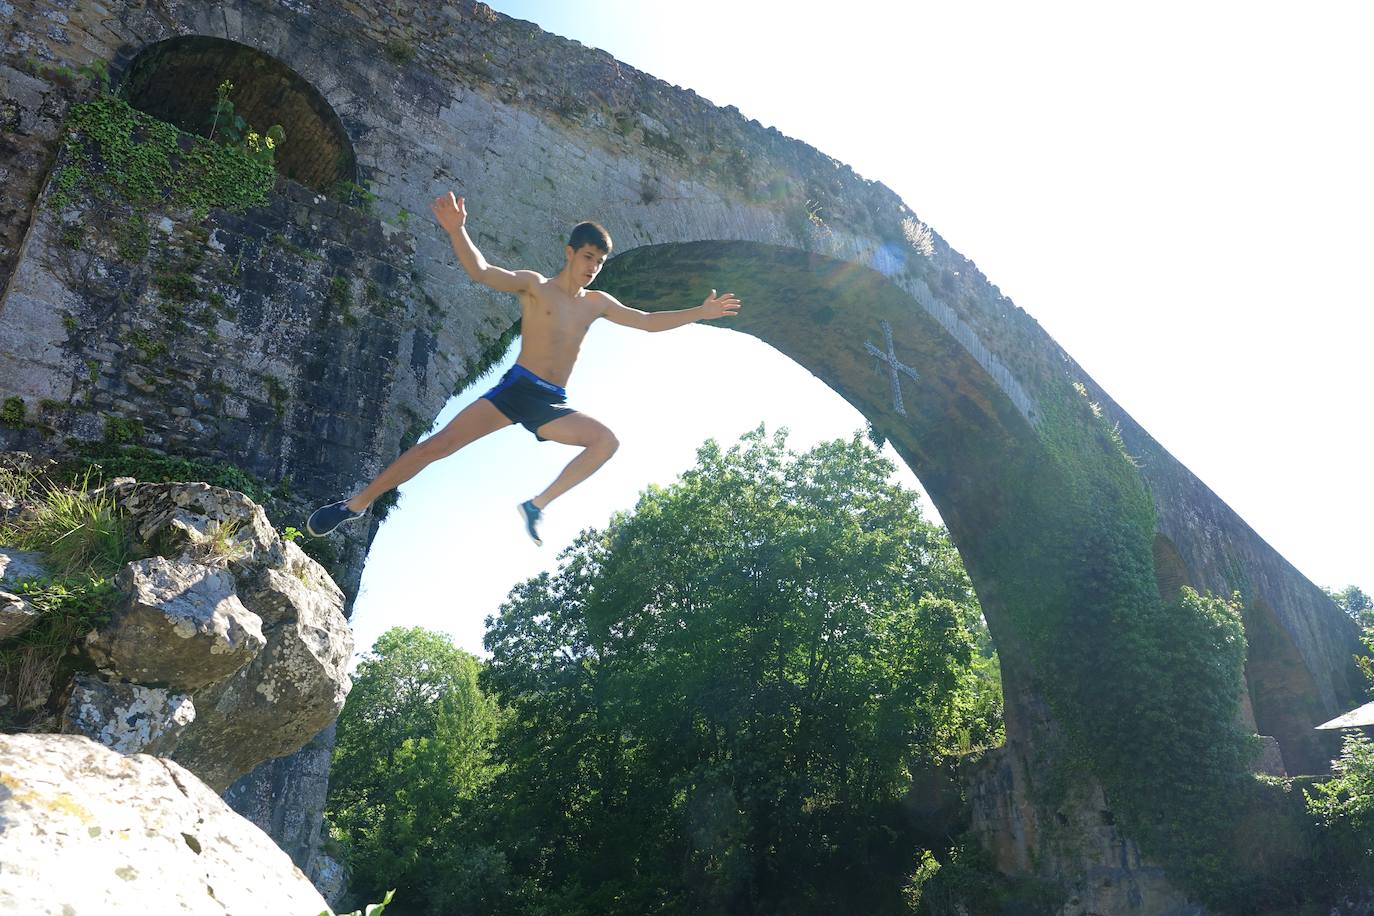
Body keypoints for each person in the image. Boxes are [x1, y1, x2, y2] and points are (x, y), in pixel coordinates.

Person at [306, 191, 742, 545]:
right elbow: (481, 271)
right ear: (571, 253)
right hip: (516, 390)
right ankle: (354, 505)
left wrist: (698, 312)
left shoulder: (598, 304)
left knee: (605, 442)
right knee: (435, 448)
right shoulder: (535, 287)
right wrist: (459, 231)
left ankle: (537, 505)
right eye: (588, 257)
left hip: (551, 403)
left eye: (600, 262)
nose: (592, 268)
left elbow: (647, 322)